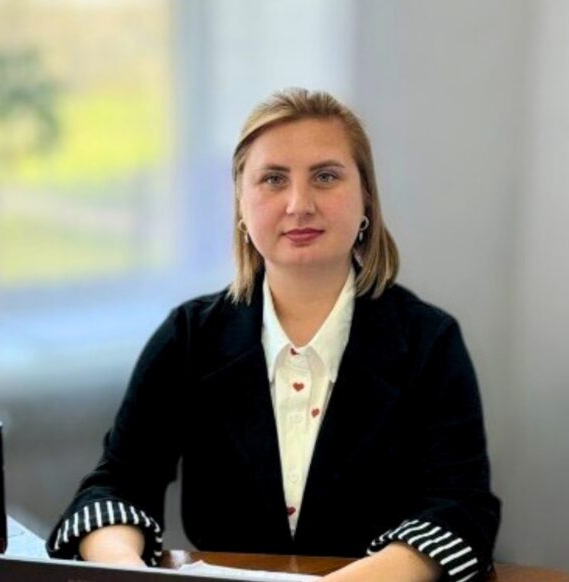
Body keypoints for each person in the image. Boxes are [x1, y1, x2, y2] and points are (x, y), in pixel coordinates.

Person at [46, 88, 500, 582]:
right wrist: (128, 571)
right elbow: (116, 488)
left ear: (366, 197)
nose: (299, 205)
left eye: (325, 176)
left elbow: (460, 511)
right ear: (241, 206)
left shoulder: (429, 342)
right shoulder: (189, 337)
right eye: (273, 179)